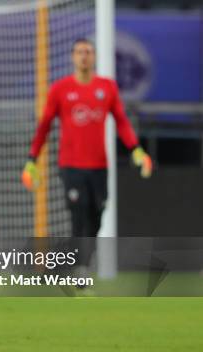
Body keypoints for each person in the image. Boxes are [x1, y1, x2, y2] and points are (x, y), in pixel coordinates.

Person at [22, 38, 152, 269]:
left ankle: (80, 264)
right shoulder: (60, 89)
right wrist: (32, 159)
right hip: (71, 166)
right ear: (73, 56)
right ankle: (78, 271)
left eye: (89, 52)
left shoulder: (107, 87)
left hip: (99, 166)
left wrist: (136, 150)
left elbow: (121, 121)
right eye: (80, 52)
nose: (84, 56)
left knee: (96, 220)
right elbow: (44, 126)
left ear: (94, 57)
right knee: (78, 218)